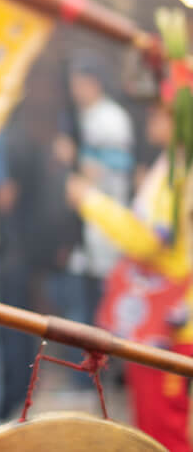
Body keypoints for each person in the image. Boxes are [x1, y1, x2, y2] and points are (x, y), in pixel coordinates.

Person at [66, 89, 193, 452]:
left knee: (161, 434)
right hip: (157, 316)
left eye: (161, 112)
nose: (152, 117)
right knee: (150, 428)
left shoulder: (179, 172)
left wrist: (89, 200)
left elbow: (148, 240)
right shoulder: (172, 166)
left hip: (169, 322)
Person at [52, 52, 133, 384]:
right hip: (85, 228)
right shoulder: (82, 116)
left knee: (101, 311)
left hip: (107, 225)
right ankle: (83, 378)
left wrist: (76, 158)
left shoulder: (111, 118)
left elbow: (114, 166)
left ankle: (101, 378)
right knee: (79, 307)